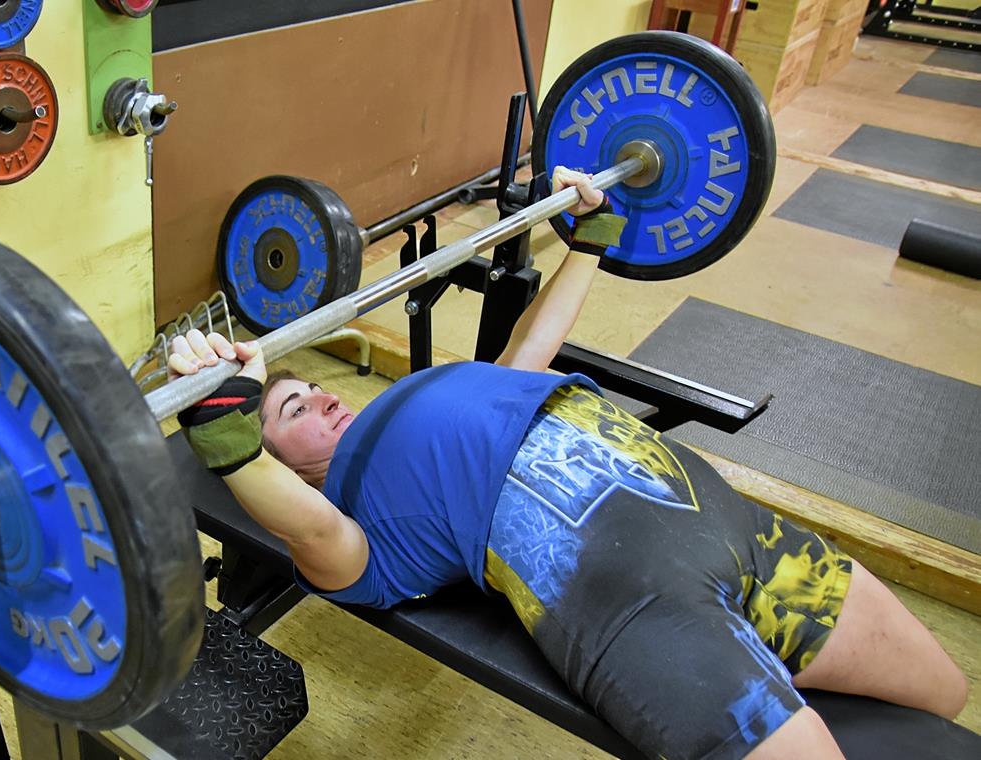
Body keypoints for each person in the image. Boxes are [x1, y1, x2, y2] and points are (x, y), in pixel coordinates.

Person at [169, 167, 967, 760]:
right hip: (634, 606)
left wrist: (590, 236)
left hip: (730, 524)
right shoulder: (357, 523)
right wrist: (222, 422)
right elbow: (299, 524)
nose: (322, 398)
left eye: (311, 386)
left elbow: (531, 352)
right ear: (276, 460)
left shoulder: (427, 393)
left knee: (943, 694)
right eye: (292, 412)